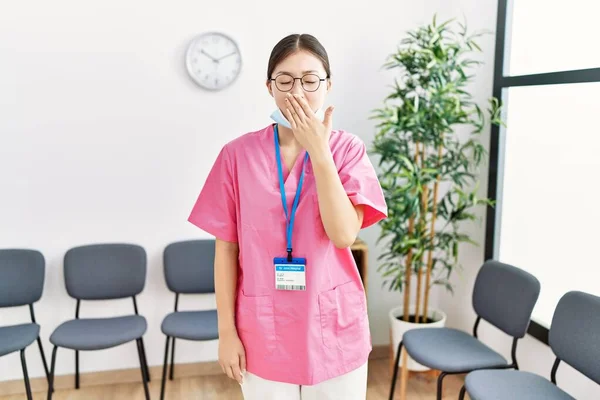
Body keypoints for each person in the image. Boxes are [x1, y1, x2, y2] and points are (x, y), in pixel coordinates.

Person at [187, 33, 387, 400]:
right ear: (269, 86)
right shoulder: (237, 155)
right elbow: (226, 251)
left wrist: (319, 153)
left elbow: (343, 234)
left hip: (334, 331)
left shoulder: (347, 150)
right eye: (285, 79)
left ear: (327, 86)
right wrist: (227, 332)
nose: (298, 90)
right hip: (263, 331)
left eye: (311, 80)